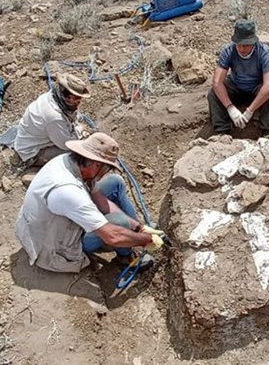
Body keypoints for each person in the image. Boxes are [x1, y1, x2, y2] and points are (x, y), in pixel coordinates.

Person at [15, 132, 164, 274]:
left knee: (115, 182)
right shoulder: (69, 191)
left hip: (52, 223)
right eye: (106, 168)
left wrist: (139, 228)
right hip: (51, 246)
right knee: (119, 223)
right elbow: (113, 236)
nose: (106, 172)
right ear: (95, 164)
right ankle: (128, 256)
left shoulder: (72, 162)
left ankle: (133, 235)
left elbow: (102, 201)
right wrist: (146, 240)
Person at [207, 20, 269, 135]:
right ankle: (222, 132)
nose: (241, 49)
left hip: (256, 88)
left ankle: (267, 132)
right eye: (238, 44)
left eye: (246, 45)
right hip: (236, 86)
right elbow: (217, 82)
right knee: (213, 94)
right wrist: (230, 108)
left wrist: (249, 111)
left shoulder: (264, 53)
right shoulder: (228, 51)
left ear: (253, 42)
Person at [13, 72, 90, 166]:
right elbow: (66, 144)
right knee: (79, 153)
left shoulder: (52, 96)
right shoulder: (53, 117)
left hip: (36, 140)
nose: (79, 102)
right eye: (77, 99)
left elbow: (73, 116)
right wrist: (80, 130)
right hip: (32, 154)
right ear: (67, 97)